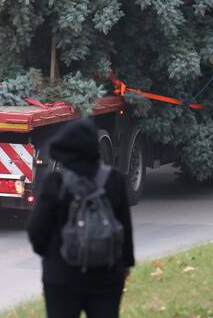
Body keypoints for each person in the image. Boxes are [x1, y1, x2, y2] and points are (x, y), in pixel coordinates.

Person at [27, 119, 135, 318]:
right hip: (106, 274)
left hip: (61, 276)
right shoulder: (114, 180)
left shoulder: (55, 182)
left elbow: (36, 231)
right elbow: (125, 228)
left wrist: (52, 256)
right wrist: (125, 264)